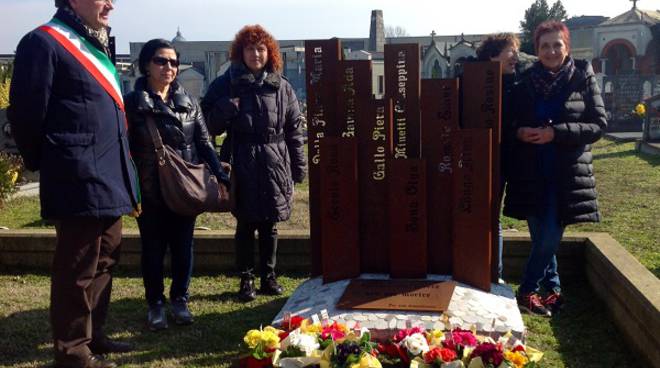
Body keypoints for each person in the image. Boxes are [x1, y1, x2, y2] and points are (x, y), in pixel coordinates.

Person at [7, 0, 140, 367]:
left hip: (110, 174)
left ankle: (93, 336)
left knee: (107, 256)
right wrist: (52, 162)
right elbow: (27, 114)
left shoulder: (95, 44)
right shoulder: (43, 42)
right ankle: (73, 352)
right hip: (76, 175)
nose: (111, 4)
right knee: (77, 267)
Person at [124, 39, 229, 330]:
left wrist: (220, 174)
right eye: (161, 61)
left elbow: (204, 142)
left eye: (173, 62)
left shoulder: (188, 102)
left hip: (184, 189)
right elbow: (124, 146)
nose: (168, 67)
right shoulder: (134, 103)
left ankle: (180, 299)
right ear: (146, 65)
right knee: (153, 250)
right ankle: (155, 303)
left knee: (184, 247)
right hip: (150, 188)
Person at [504, 21, 607, 317]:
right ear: (536, 51)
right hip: (531, 173)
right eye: (544, 46)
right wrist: (520, 132)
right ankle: (554, 290)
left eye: (556, 45)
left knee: (550, 235)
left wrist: (556, 133)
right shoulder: (525, 80)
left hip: (565, 174)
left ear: (567, 47)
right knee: (541, 238)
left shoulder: (582, 78)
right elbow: (508, 123)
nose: (551, 51)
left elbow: (599, 125)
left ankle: (526, 291)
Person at [201, 25, 306, 302]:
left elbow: (294, 128)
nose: (256, 54)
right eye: (250, 48)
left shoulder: (282, 86)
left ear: (269, 52)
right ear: (240, 52)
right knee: (245, 223)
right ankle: (246, 279)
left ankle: (268, 276)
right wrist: (227, 108)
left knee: (270, 223)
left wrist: (298, 167)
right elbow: (206, 122)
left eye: (261, 49)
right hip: (242, 159)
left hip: (275, 160)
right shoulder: (227, 83)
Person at [475, 33, 520, 282]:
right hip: (472, 162)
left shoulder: (517, 84)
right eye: (510, 51)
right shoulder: (470, 82)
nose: (515, 57)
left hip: (501, 162)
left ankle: (495, 274)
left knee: (493, 217)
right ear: (493, 55)